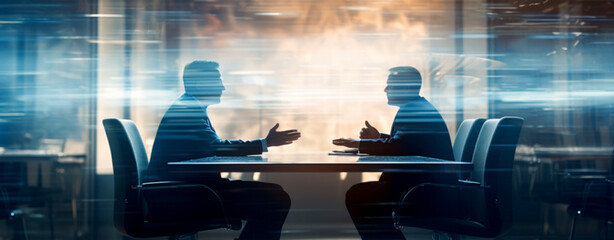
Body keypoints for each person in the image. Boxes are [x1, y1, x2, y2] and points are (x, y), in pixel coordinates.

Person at [148, 60, 300, 240]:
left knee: (275, 195)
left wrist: (262, 144)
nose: (223, 87)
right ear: (199, 83)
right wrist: (264, 143)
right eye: (217, 80)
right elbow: (217, 147)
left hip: (184, 192)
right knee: (275, 200)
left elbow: (211, 148)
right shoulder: (188, 109)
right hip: (186, 196)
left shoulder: (189, 106)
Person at [333, 66, 454, 240]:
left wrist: (360, 144)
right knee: (362, 196)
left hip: (423, 191)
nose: (385, 89)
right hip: (424, 186)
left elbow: (399, 147)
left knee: (359, 197)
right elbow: (408, 144)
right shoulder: (417, 107)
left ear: (405, 87)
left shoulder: (414, 110)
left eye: (390, 85)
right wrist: (377, 138)